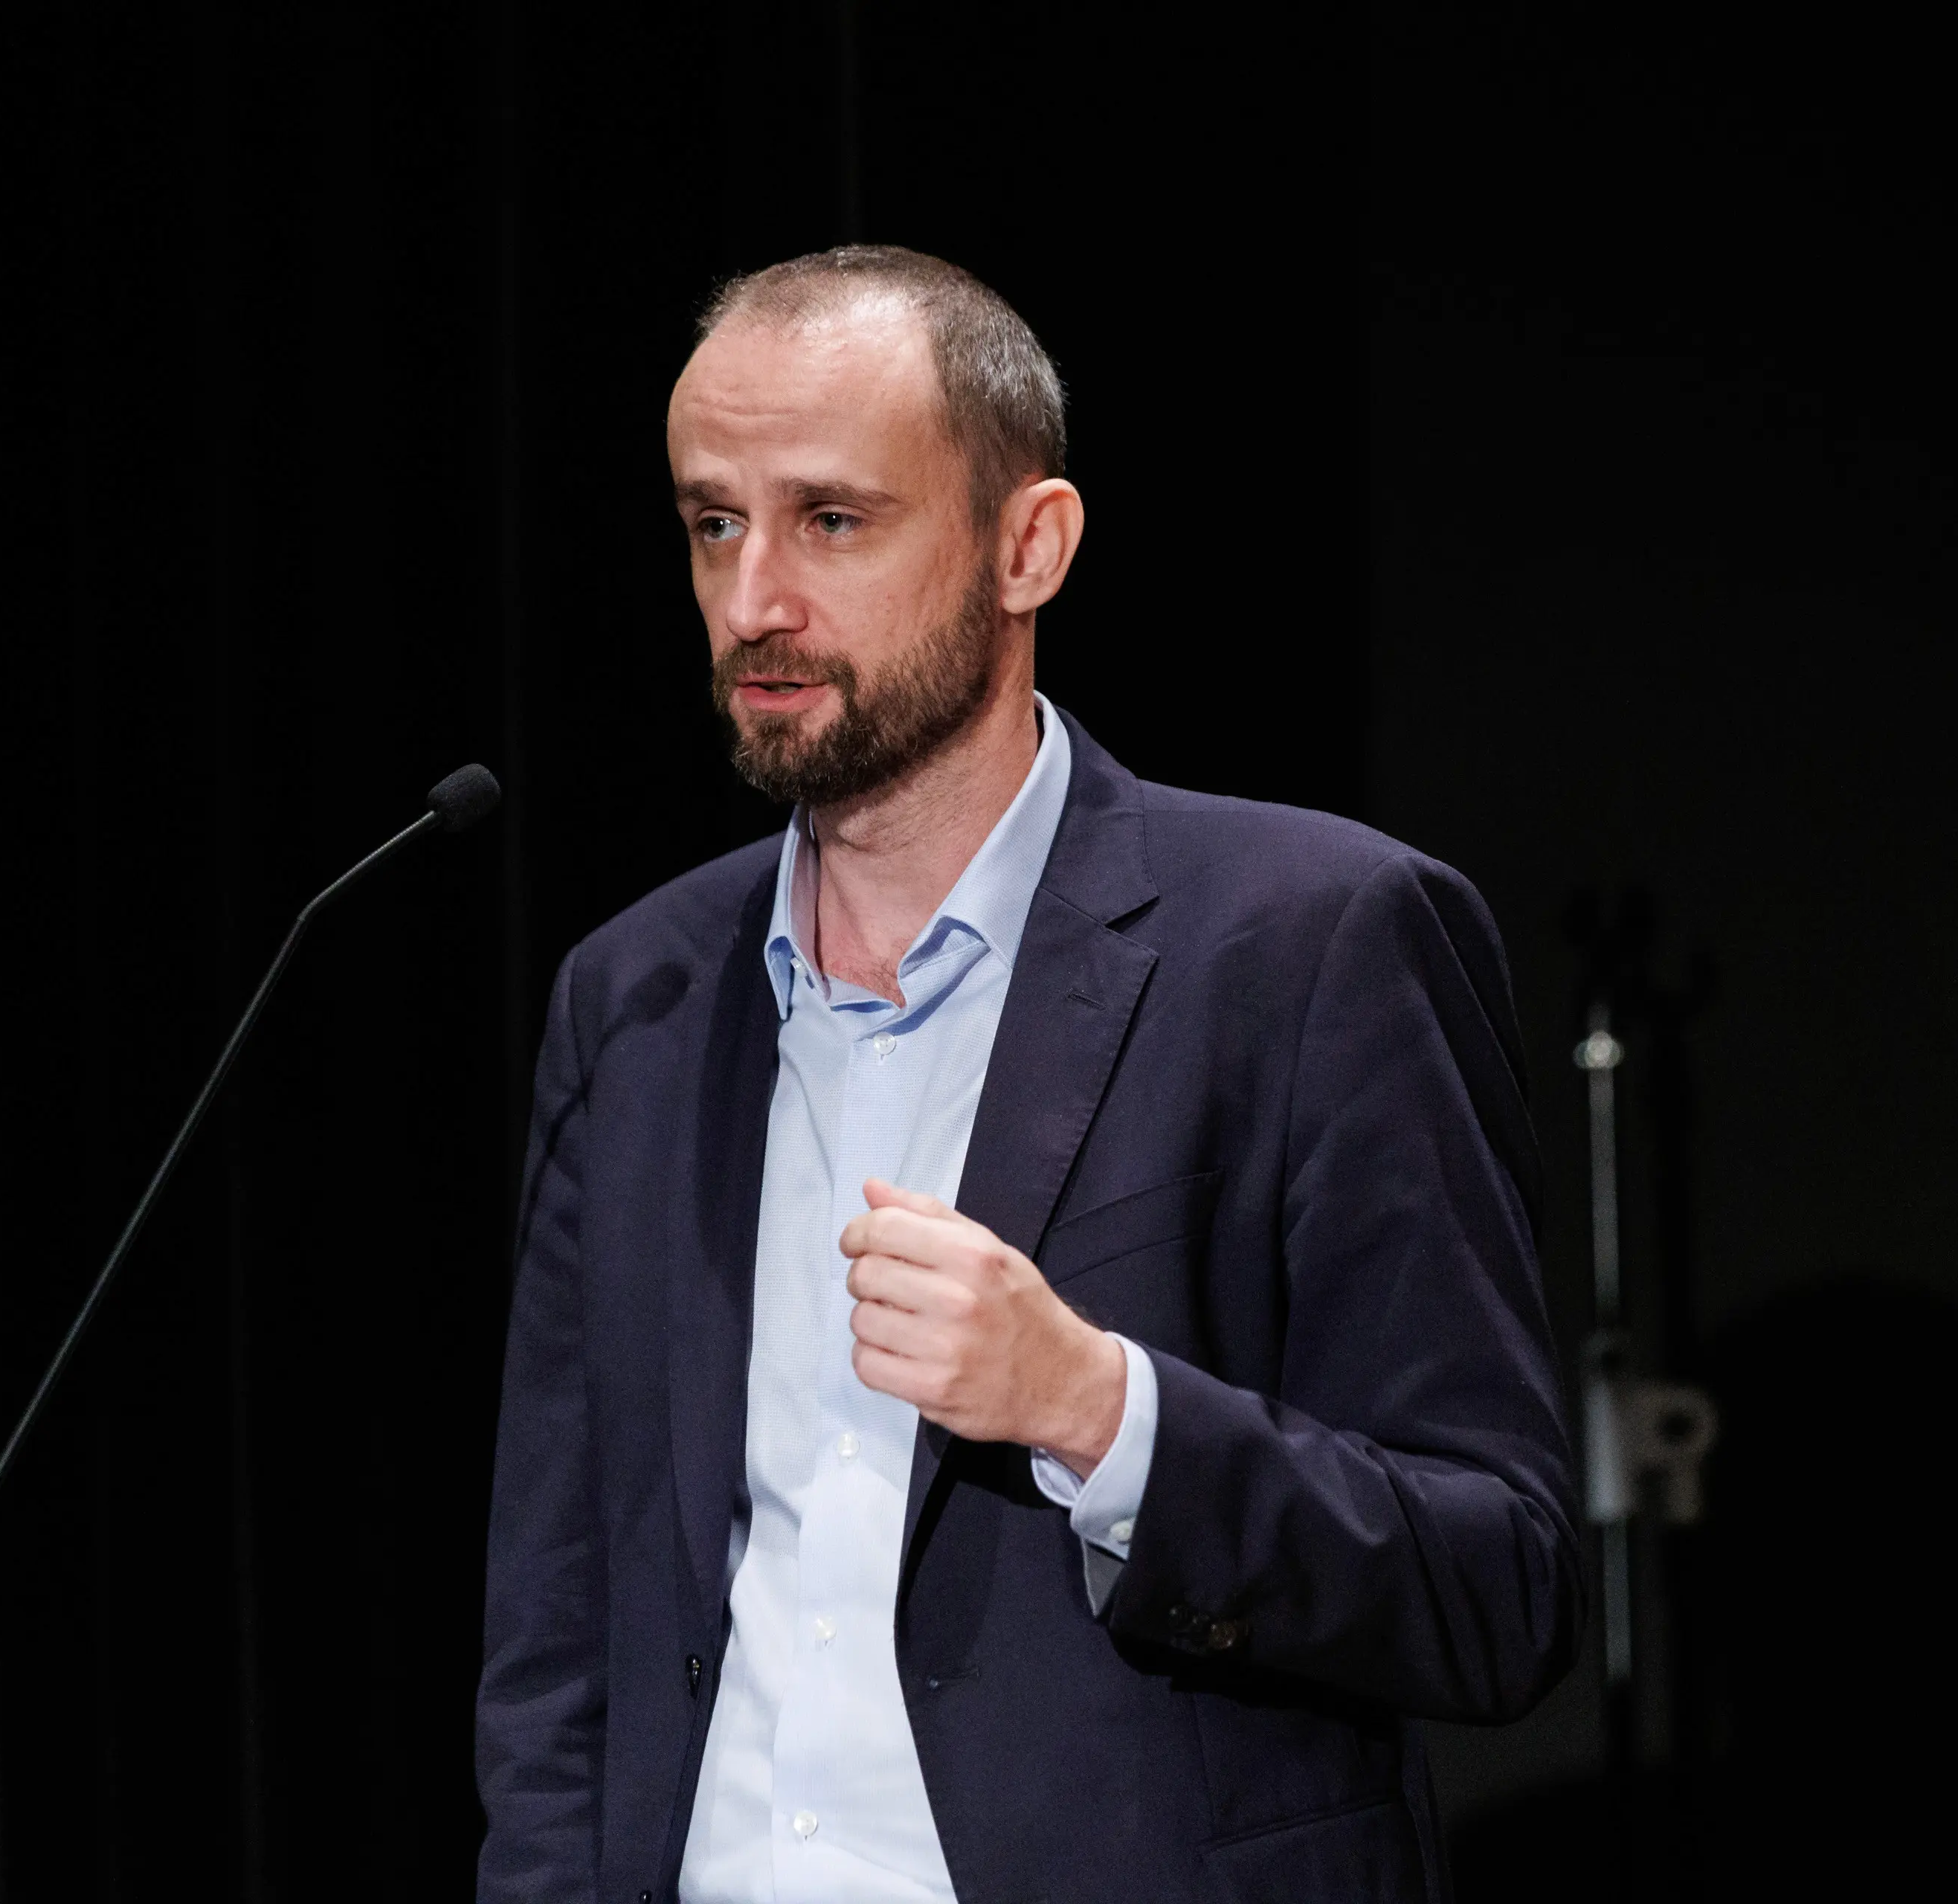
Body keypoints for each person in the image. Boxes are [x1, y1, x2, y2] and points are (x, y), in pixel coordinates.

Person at [476, 245, 1577, 1904]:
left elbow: (1501, 1579)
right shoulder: (633, 996)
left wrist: (1099, 1408)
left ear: (1028, 544)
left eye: (832, 520)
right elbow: (561, 1633)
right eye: (716, 522)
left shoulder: (1308, 942)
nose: (754, 598)